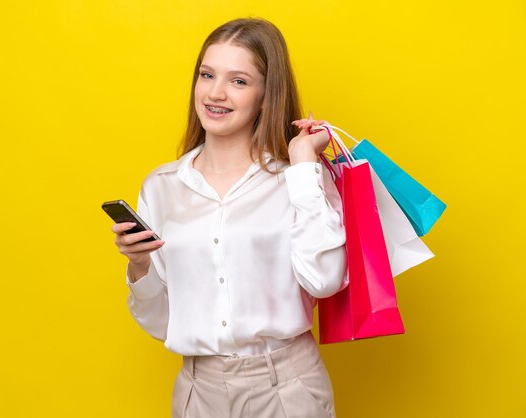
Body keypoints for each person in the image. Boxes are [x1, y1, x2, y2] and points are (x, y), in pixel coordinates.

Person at [111, 18, 348, 418]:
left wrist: (304, 163)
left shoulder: (298, 179)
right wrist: (139, 264)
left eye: (238, 81)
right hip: (199, 391)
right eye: (207, 75)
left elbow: (324, 282)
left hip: (286, 388)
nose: (216, 93)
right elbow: (161, 323)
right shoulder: (161, 187)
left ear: (265, 95)